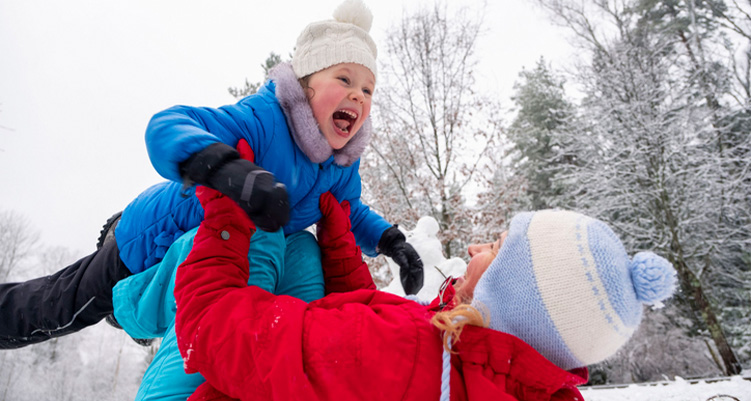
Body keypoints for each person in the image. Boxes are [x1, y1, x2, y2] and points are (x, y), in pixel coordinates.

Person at [0, 0, 424, 350]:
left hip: (207, 262)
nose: (358, 94)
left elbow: (350, 212)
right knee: (60, 307)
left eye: (368, 89)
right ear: (307, 83)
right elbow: (167, 126)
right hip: (150, 239)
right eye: (345, 78)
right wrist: (229, 170)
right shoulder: (264, 120)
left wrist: (392, 242)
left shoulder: (340, 166)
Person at [171, 184, 678, 401]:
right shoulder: (472, 369)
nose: (477, 244)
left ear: (515, 293)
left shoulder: (402, 350)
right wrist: (342, 243)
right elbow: (362, 361)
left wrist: (224, 213)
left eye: (497, 246)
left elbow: (211, 327)